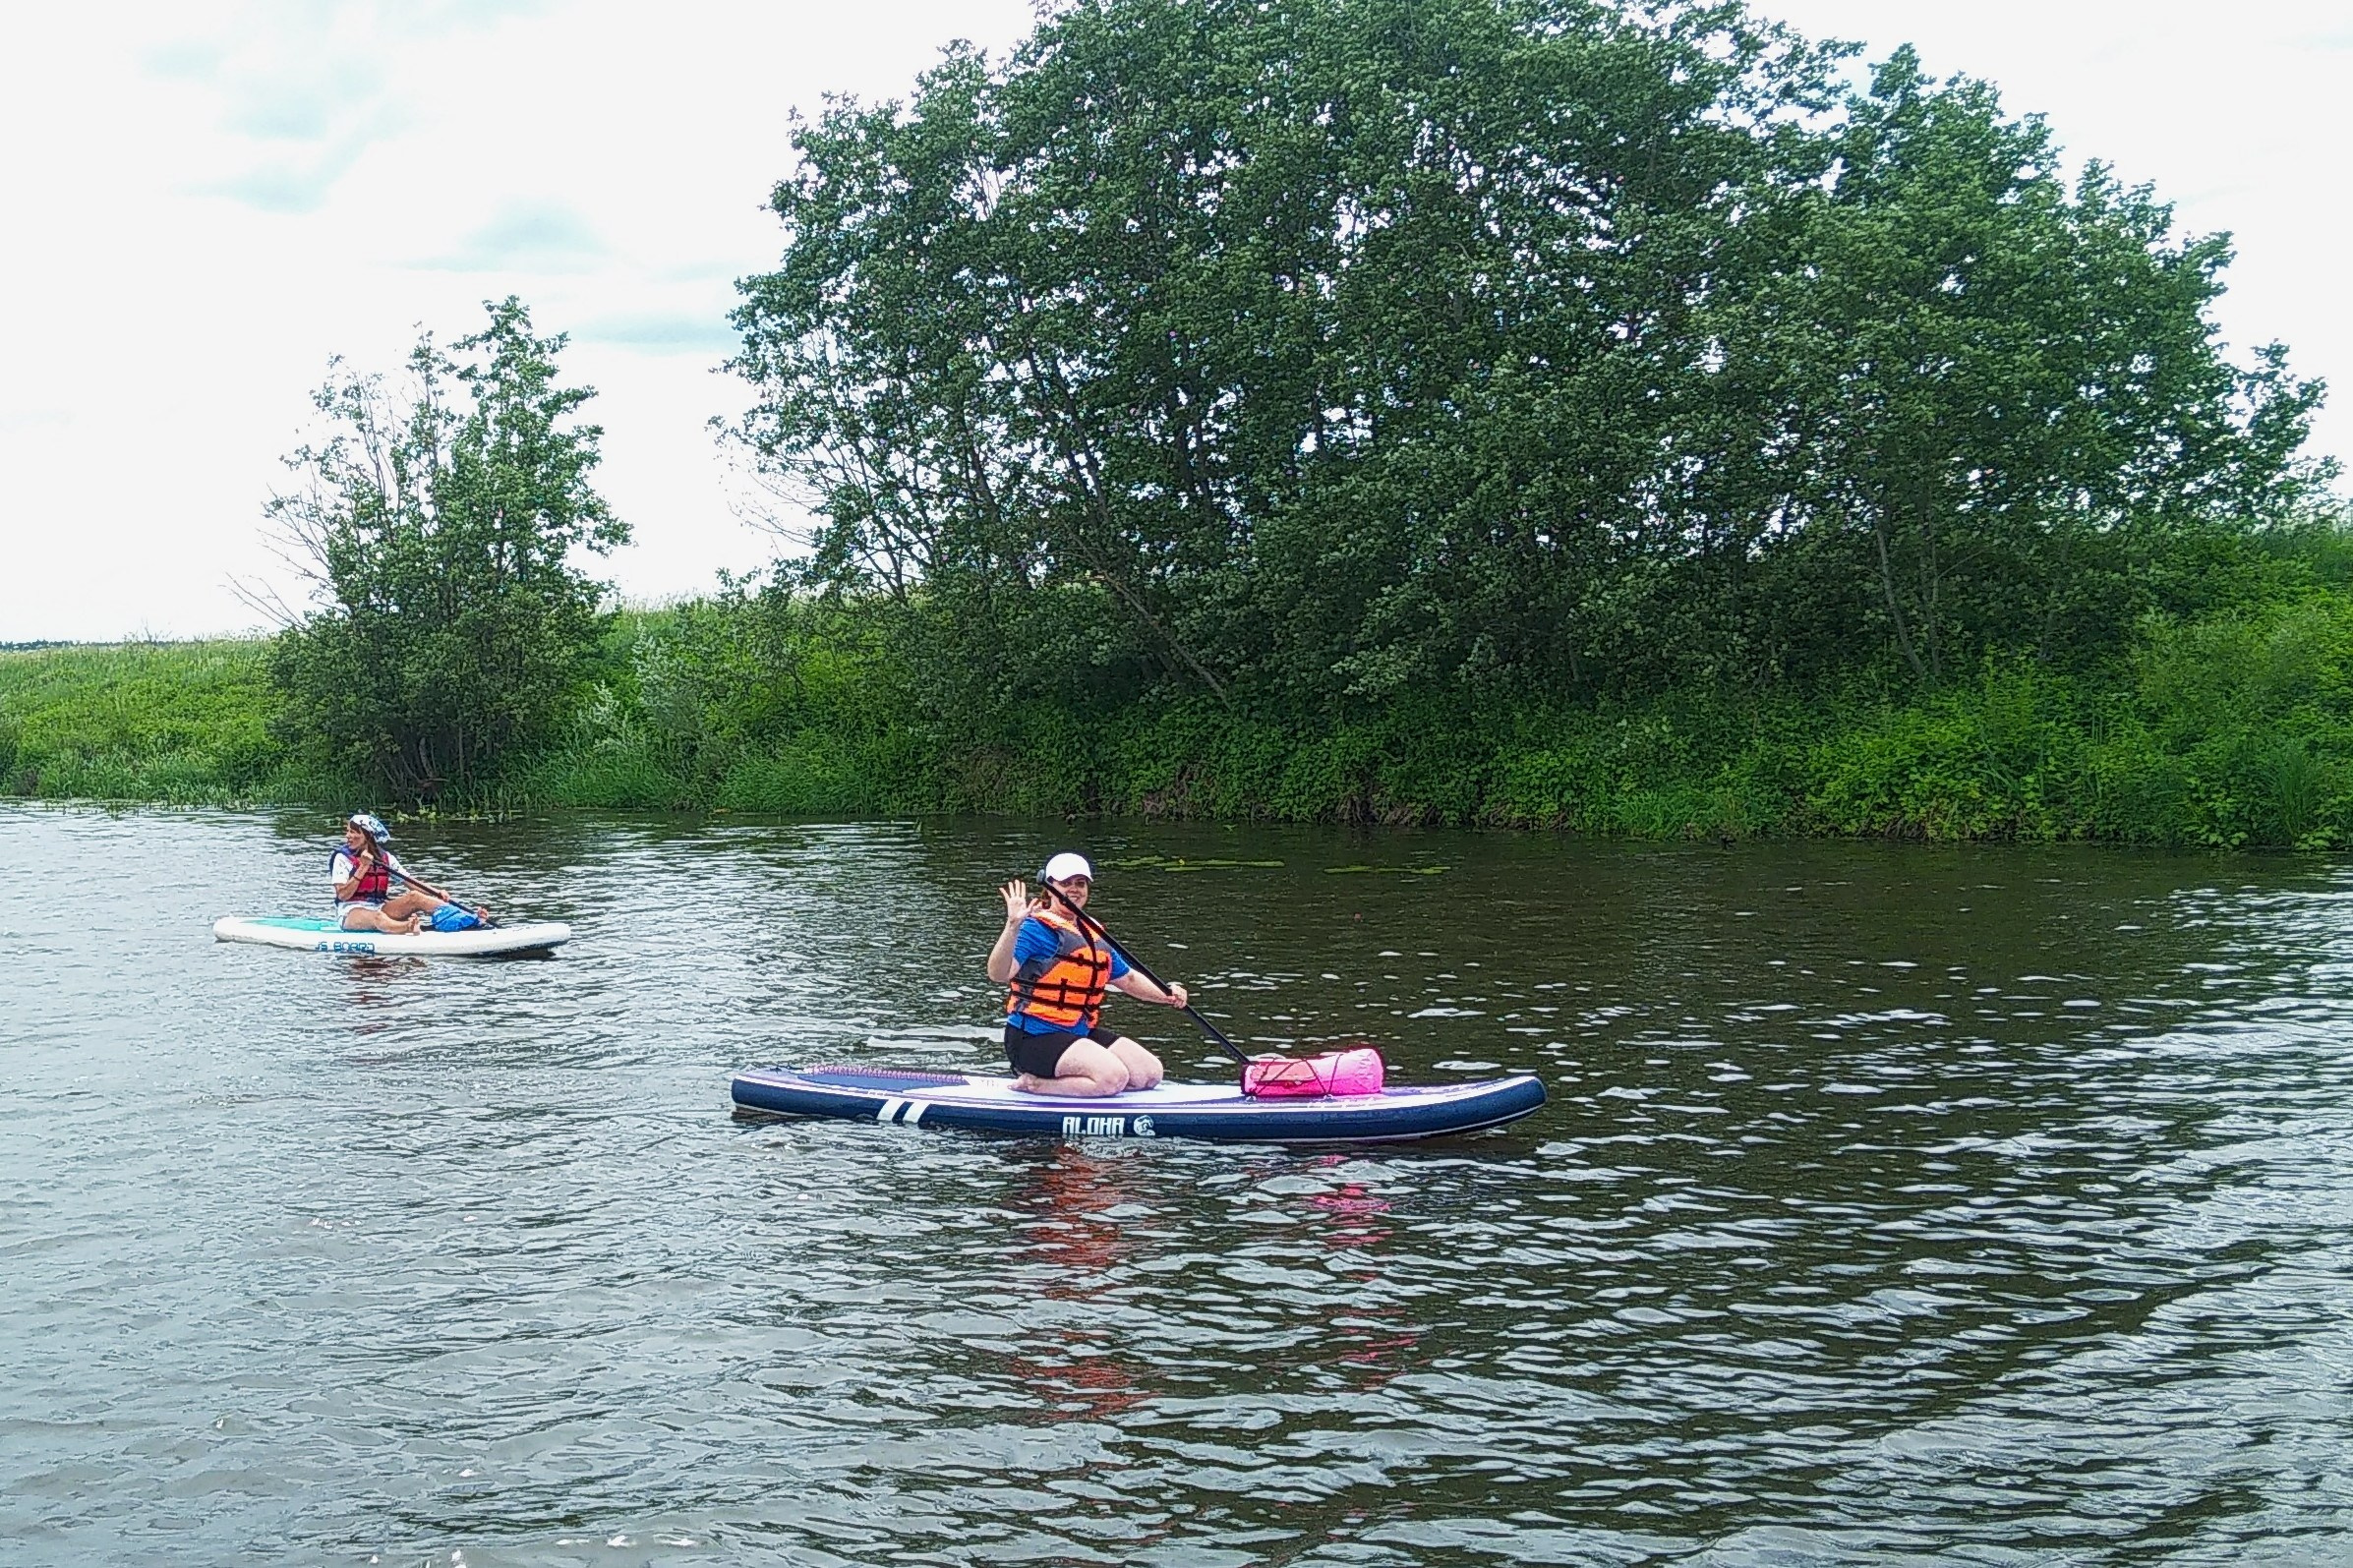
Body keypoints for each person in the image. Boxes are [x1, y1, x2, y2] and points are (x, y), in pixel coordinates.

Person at [989, 852, 1188, 1097]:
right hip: (1032, 1038)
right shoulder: (1033, 928)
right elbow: (998, 974)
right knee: (1113, 1077)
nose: (1074, 889)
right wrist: (1012, 926)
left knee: (1149, 1073)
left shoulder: (1092, 933)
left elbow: (1128, 979)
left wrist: (1167, 994)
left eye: (1080, 883)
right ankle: (1035, 1084)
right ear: (1050, 888)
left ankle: (1087, 1086)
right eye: (1065, 883)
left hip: (1077, 1032)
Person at [330, 813, 487, 934]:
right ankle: (407, 927)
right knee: (377, 917)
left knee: (415, 896)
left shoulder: (385, 858)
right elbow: (342, 895)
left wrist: (437, 892)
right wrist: (363, 867)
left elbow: (410, 881)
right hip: (350, 912)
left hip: (379, 907)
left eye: (353, 832)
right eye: (348, 831)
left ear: (367, 836)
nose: (347, 836)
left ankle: (467, 918)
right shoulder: (342, 858)